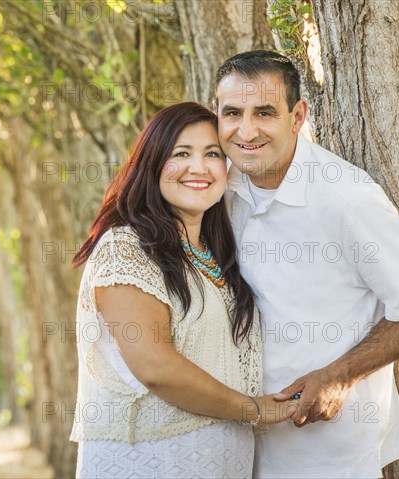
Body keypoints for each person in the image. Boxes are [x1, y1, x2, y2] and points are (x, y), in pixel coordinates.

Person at [214, 50, 399, 478]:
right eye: (232, 113)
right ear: (216, 114)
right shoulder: (217, 184)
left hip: (326, 449)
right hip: (237, 442)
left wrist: (339, 375)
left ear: (297, 116)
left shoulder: (346, 198)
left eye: (264, 112)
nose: (246, 130)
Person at [70, 101, 297, 479]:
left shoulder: (214, 256)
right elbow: (155, 367)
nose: (198, 167)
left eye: (212, 154)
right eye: (181, 153)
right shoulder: (125, 248)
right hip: (147, 463)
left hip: (219, 464)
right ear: (153, 164)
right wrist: (254, 410)